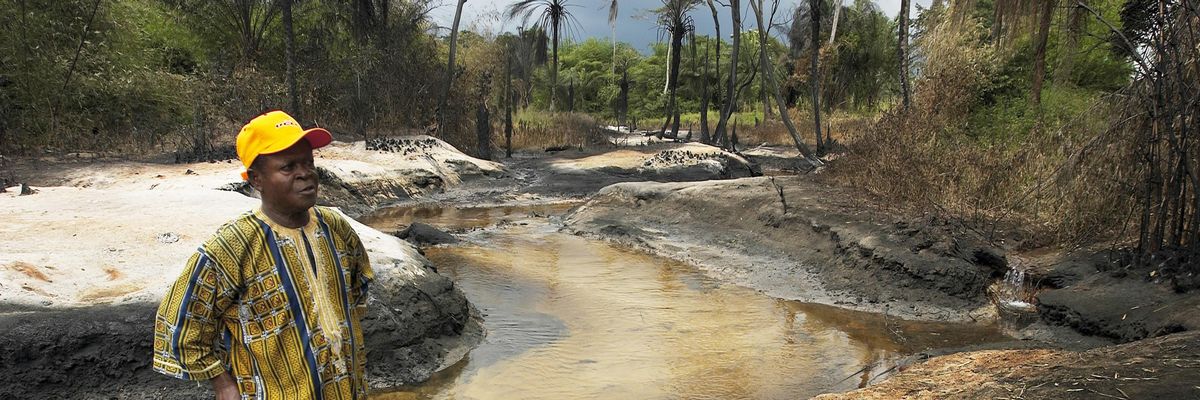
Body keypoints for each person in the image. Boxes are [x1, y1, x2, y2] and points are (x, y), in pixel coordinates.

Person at [152, 110, 374, 400]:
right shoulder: (233, 246)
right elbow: (179, 324)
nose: (305, 173)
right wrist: (223, 383)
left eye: (308, 162)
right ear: (257, 180)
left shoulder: (336, 227)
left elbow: (359, 286)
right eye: (288, 167)